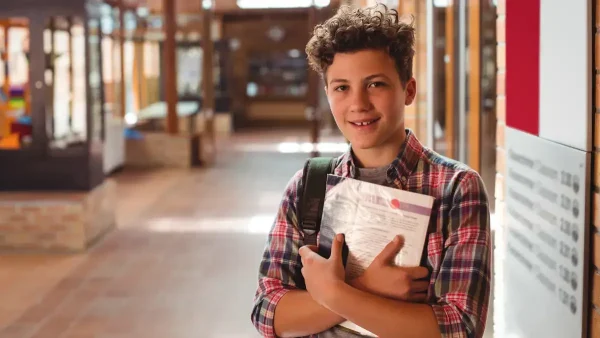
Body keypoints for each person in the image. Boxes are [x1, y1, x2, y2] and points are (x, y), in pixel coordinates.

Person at [251, 4, 491, 338]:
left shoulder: (456, 189)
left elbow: (458, 328)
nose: (358, 103)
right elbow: (268, 314)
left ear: (408, 90)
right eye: (342, 87)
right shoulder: (309, 186)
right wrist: (366, 287)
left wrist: (336, 292)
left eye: (375, 84)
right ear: (327, 94)